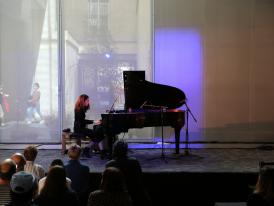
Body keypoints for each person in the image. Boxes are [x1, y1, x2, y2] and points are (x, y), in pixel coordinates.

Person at [106, 140, 151, 206]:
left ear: (114, 150)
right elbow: (140, 179)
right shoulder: (134, 162)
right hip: (134, 193)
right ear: (126, 150)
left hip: (117, 194)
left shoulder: (110, 164)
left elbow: (107, 183)